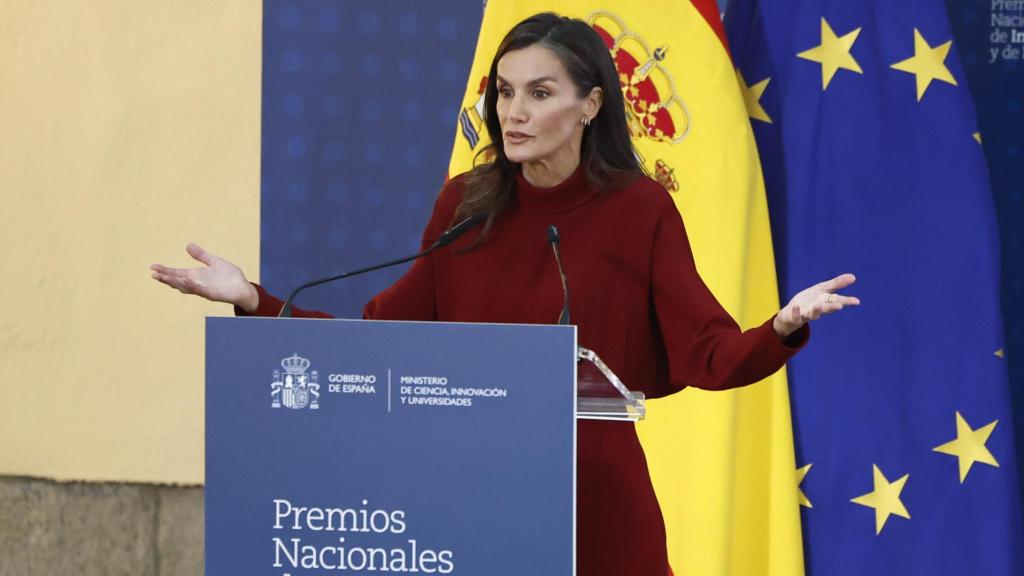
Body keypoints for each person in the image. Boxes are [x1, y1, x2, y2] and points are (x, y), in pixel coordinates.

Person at [152, 13, 858, 576]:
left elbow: (709, 351)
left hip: (597, 499)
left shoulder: (639, 210)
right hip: (476, 493)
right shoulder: (467, 205)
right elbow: (377, 342)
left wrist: (784, 325)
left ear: (590, 106)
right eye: (506, 90)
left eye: (540, 92)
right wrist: (254, 299)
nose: (513, 111)